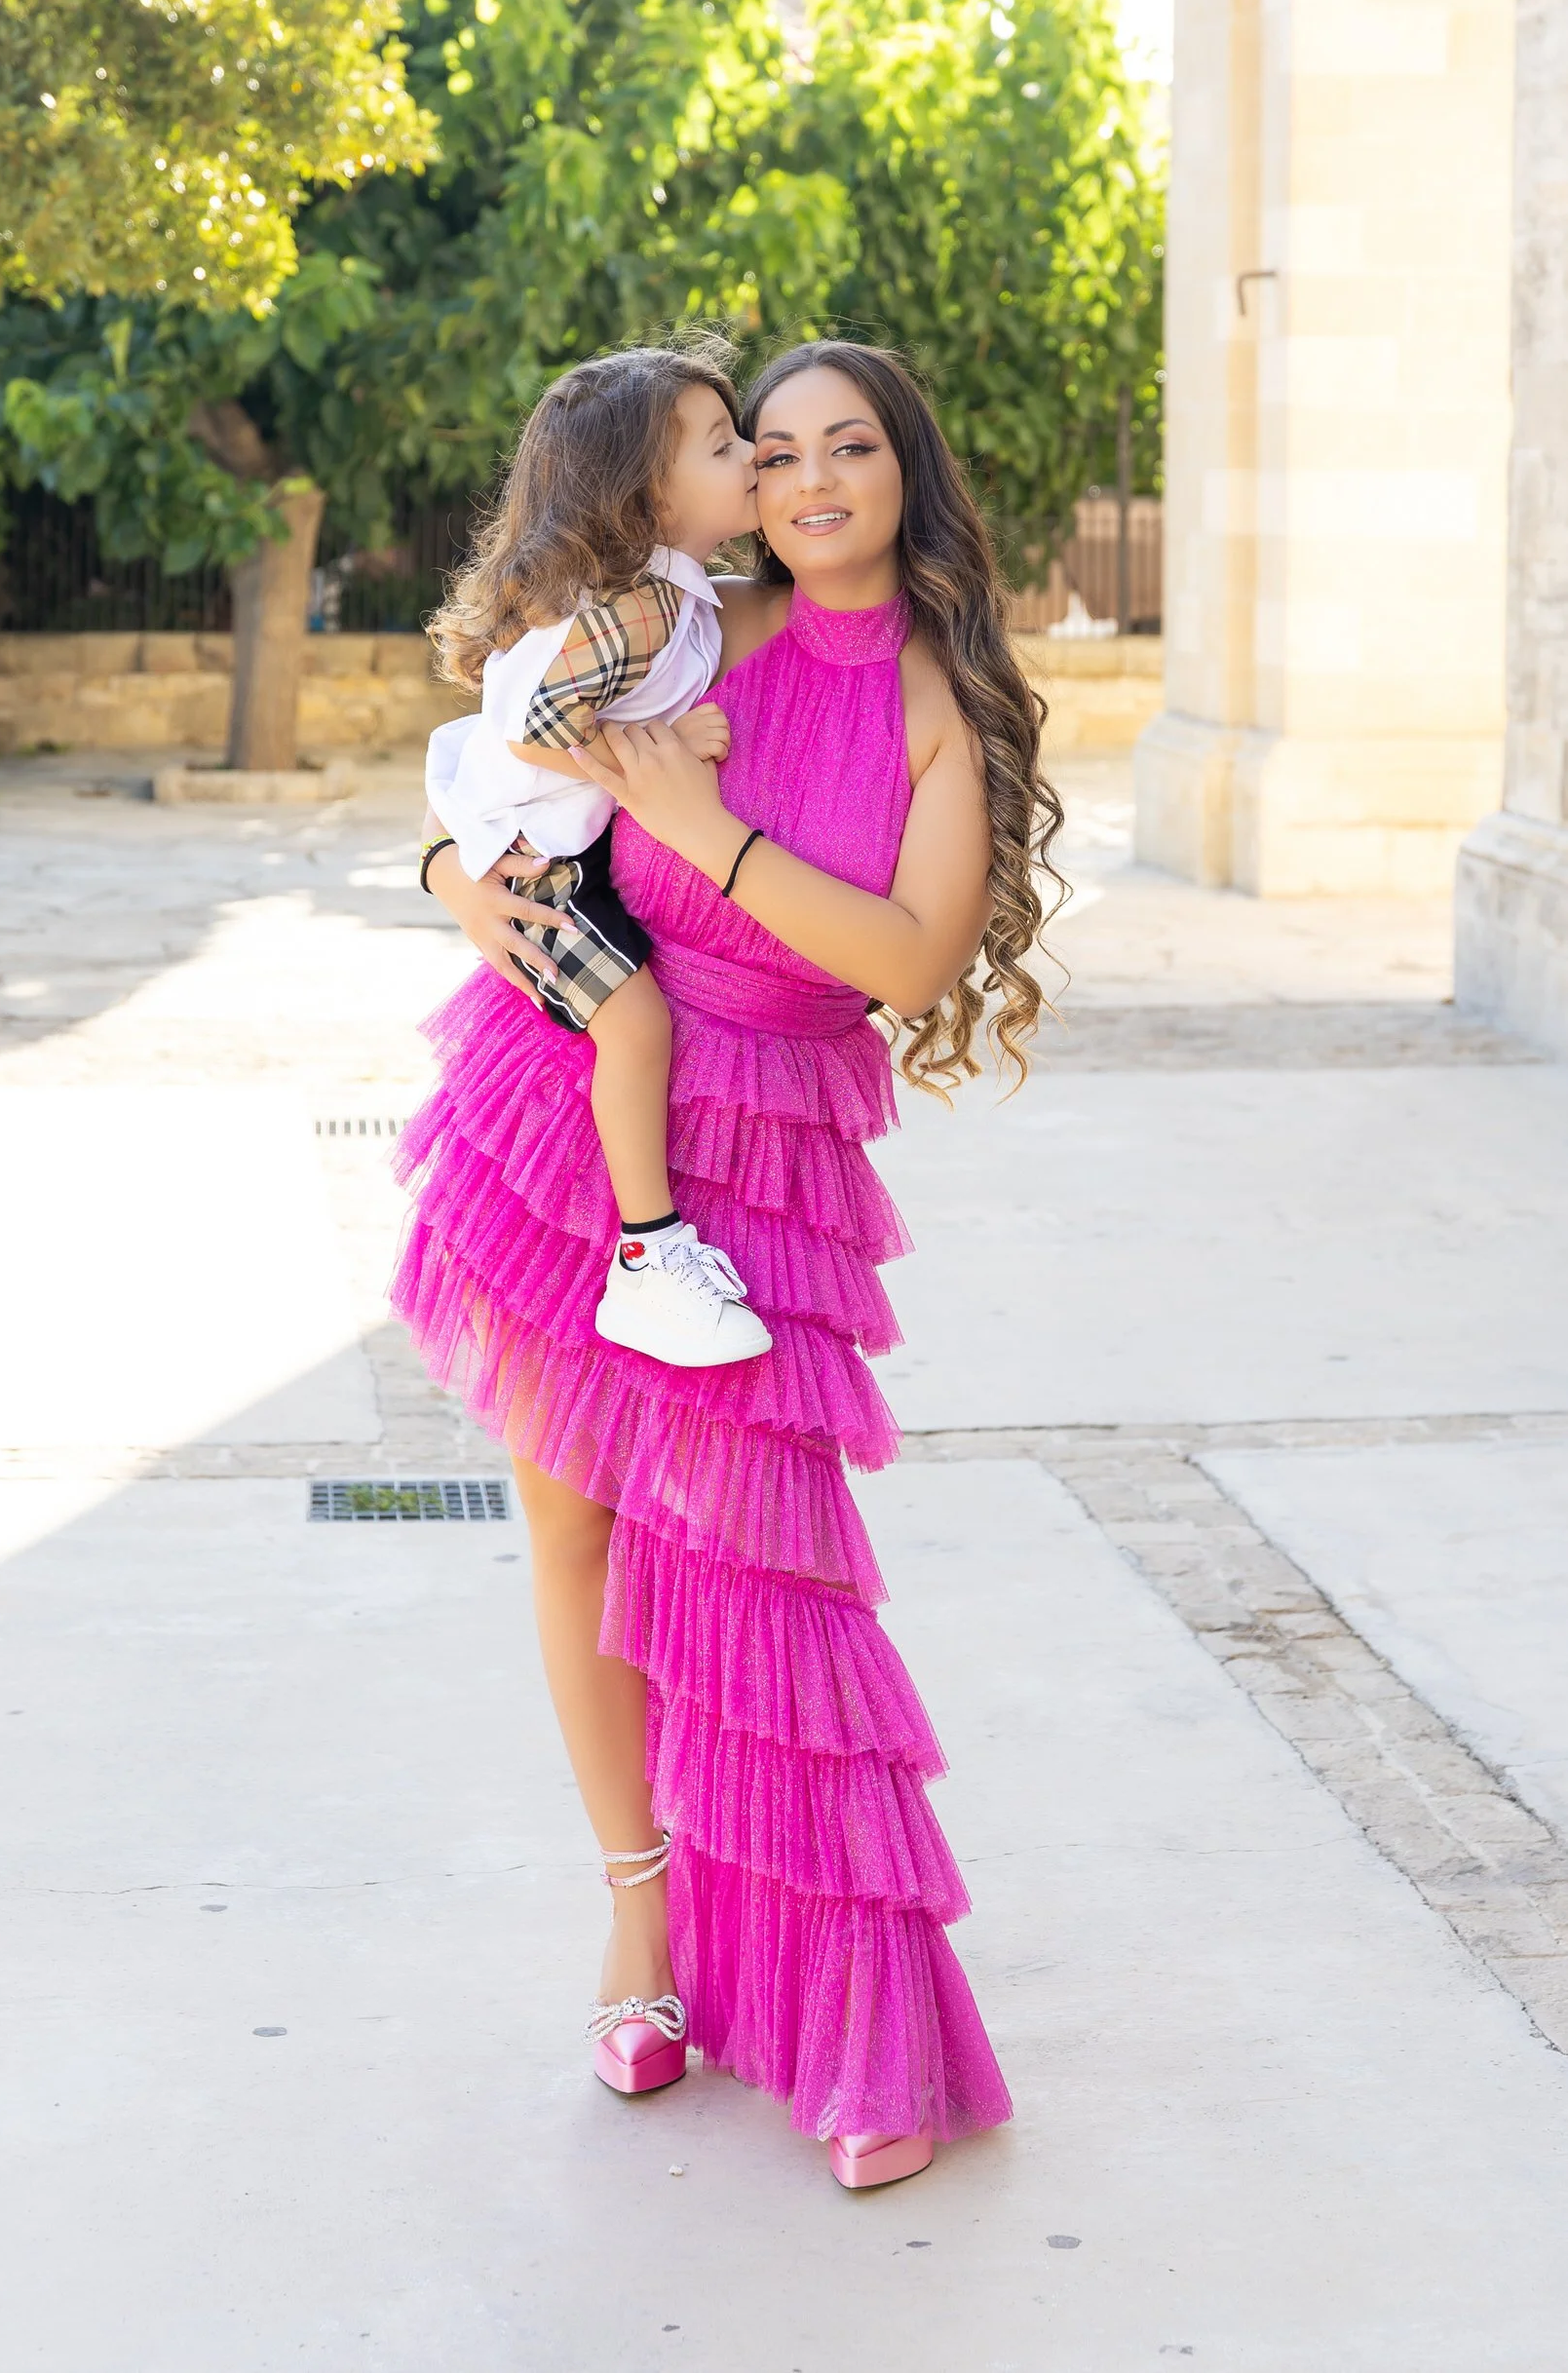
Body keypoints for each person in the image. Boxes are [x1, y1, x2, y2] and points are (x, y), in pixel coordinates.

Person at [399, 338, 1063, 2189]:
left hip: (770, 1128)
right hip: (578, 1089)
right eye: (770, 453)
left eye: (849, 447)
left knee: (771, 1587)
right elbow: (496, 764)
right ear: (734, 484)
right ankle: (640, 1931)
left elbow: (915, 959)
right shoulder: (691, 627)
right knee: (573, 1531)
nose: (807, 481)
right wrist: (450, 885)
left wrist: (711, 826)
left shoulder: (936, 698)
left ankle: (851, 2018)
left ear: (904, 473)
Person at [423, 344, 772, 1369]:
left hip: (548, 844)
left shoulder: (680, 594)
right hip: (538, 862)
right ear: (649, 498)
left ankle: (651, 1251)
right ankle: (647, 1256)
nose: (751, 455)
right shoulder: (641, 610)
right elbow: (534, 726)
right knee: (635, 1023)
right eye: (723, 446)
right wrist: (659, 756)